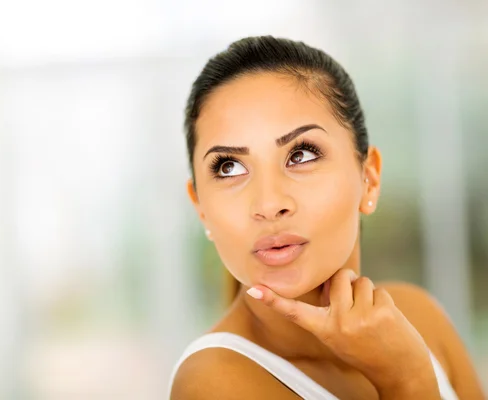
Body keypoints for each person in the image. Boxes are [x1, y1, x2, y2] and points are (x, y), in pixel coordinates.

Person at [168, 36, 484, 399]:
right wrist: (407, 380)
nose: (269, 204)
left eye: (301, 155)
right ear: (201, 208)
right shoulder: (213, 383)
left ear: (369, 179)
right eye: (229, 167)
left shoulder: (418, 317)